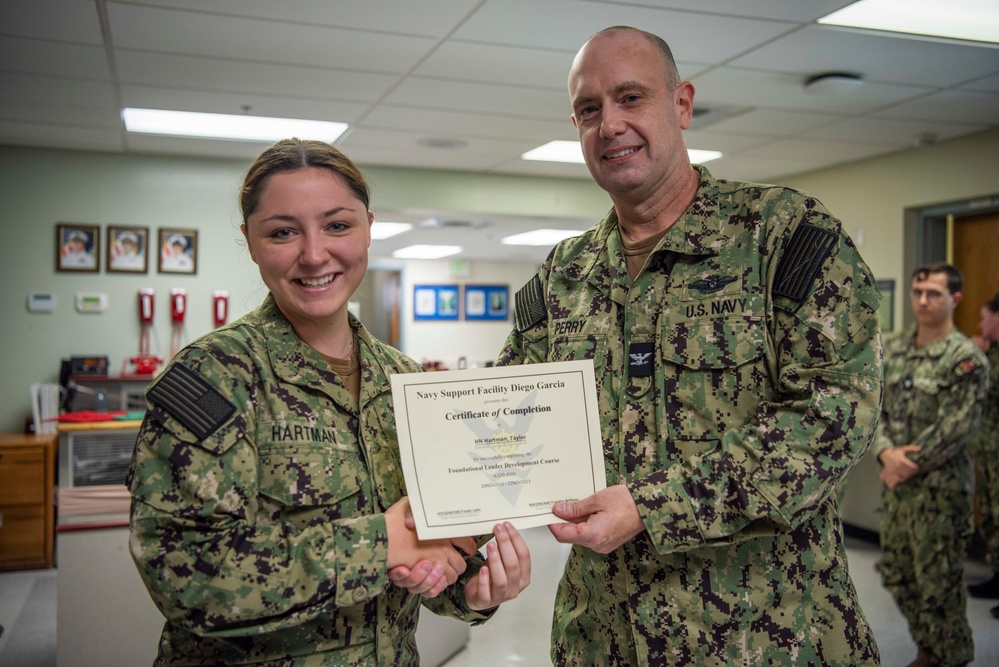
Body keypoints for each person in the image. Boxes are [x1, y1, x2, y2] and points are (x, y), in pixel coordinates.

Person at [498, 25, 883, 666]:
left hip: (764, 638)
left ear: (681, 105)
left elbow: (835, 420)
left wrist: (651, 507)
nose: (610, 125)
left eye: (630, 98)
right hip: (604, 638)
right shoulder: (561, 277)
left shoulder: (784, 239)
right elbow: (511, 419)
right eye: (589, 110)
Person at [128, 138, 531, 666]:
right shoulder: (214, 377)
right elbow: (185, 573)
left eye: (337, 225)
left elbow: (433, 550)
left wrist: (476, 589)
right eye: (283, 232)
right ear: (250, 241)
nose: (315, 254)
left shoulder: (406, 382)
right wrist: (378, 544)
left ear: (368, 225)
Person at [873, 263, 989, 667]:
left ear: (954, 299)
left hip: (941, 494)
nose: (923, 300)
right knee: (896, 573)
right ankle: (930, 648)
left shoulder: (965, 358)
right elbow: (875, 409)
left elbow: (957, 427)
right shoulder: (894, 347)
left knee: (939, 587)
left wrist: (905, 463)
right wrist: (886, 453)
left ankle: (952, 657)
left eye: (934, 293)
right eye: (917, 291)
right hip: (897, 490)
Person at [967, 294, 999, 617]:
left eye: (984, 317)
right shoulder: (991, 352)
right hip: (988, 453)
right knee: (990, 516)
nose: (980, 324)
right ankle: (997, 575)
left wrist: (982, 361)